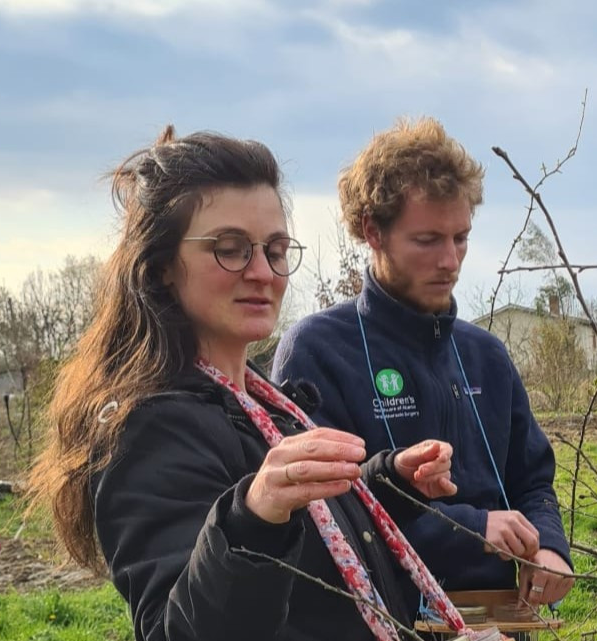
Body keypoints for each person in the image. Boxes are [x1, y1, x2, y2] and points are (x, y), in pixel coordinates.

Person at [26, 127, 479, 641]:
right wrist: (251, 517)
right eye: (230, 248)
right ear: (161, 267)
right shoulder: (148, 430)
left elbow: (311, 549)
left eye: (276, 249)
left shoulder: (260, 400)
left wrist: (386, 480)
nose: (263, 272)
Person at [272, 117, 575, 609]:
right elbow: (327, 516)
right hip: (380, 617)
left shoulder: (487, 357)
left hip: (500, 617)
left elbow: (532, 479)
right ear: (373, 232)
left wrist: (549, 545)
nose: (450, 260)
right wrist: (474, 529)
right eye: (428, 240)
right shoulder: (317, 351)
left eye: (460, 238)